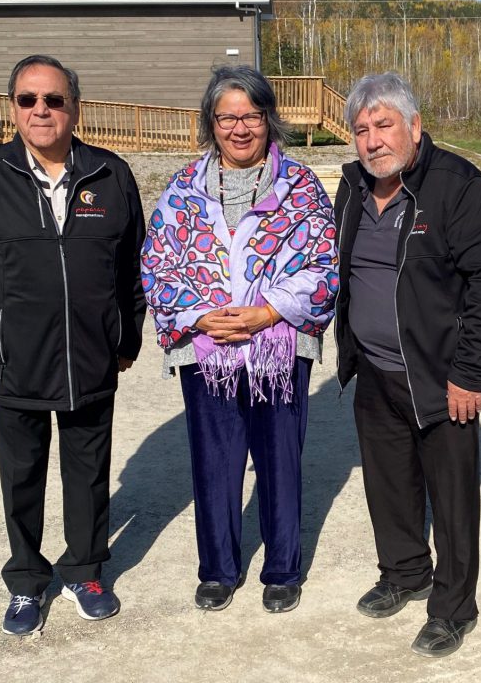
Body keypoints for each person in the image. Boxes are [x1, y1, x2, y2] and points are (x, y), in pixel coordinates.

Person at [0, 55, 145, 636]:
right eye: (28, 100)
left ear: (74, 107)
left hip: (90, 358)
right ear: (13, 108)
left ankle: (85, 570)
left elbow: (132, 268)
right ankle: (28, 580)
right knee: (22, 475)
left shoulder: (109, 174)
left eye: (54, 100)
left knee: (89, 472)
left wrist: (126, 338)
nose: (41, 110)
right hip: (15, 362)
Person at [142, 66, 337, 614]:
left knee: (280, 460)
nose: (240, 127)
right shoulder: (183, 189)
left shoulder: (299, 187)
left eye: (251, 115)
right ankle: (218, 569)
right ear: (211, 123)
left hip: (277, 346)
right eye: (227, 117)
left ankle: (282, 568)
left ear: (268, 118)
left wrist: (266, 312)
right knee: (215, 460)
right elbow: (158, 264)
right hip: (207, 348)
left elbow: (323, 264)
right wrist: (202, 317)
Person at [334, 73, 481, 658]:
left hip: (441, 375)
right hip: (376, 370)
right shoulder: (353, 188)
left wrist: (470, 371)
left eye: (383, 125)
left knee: (453, 497)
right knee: (388, 487)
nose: (371, 140)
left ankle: (454, 607)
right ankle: (405, 572)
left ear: (414, 126)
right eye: (361, 129)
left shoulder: (459, 188)